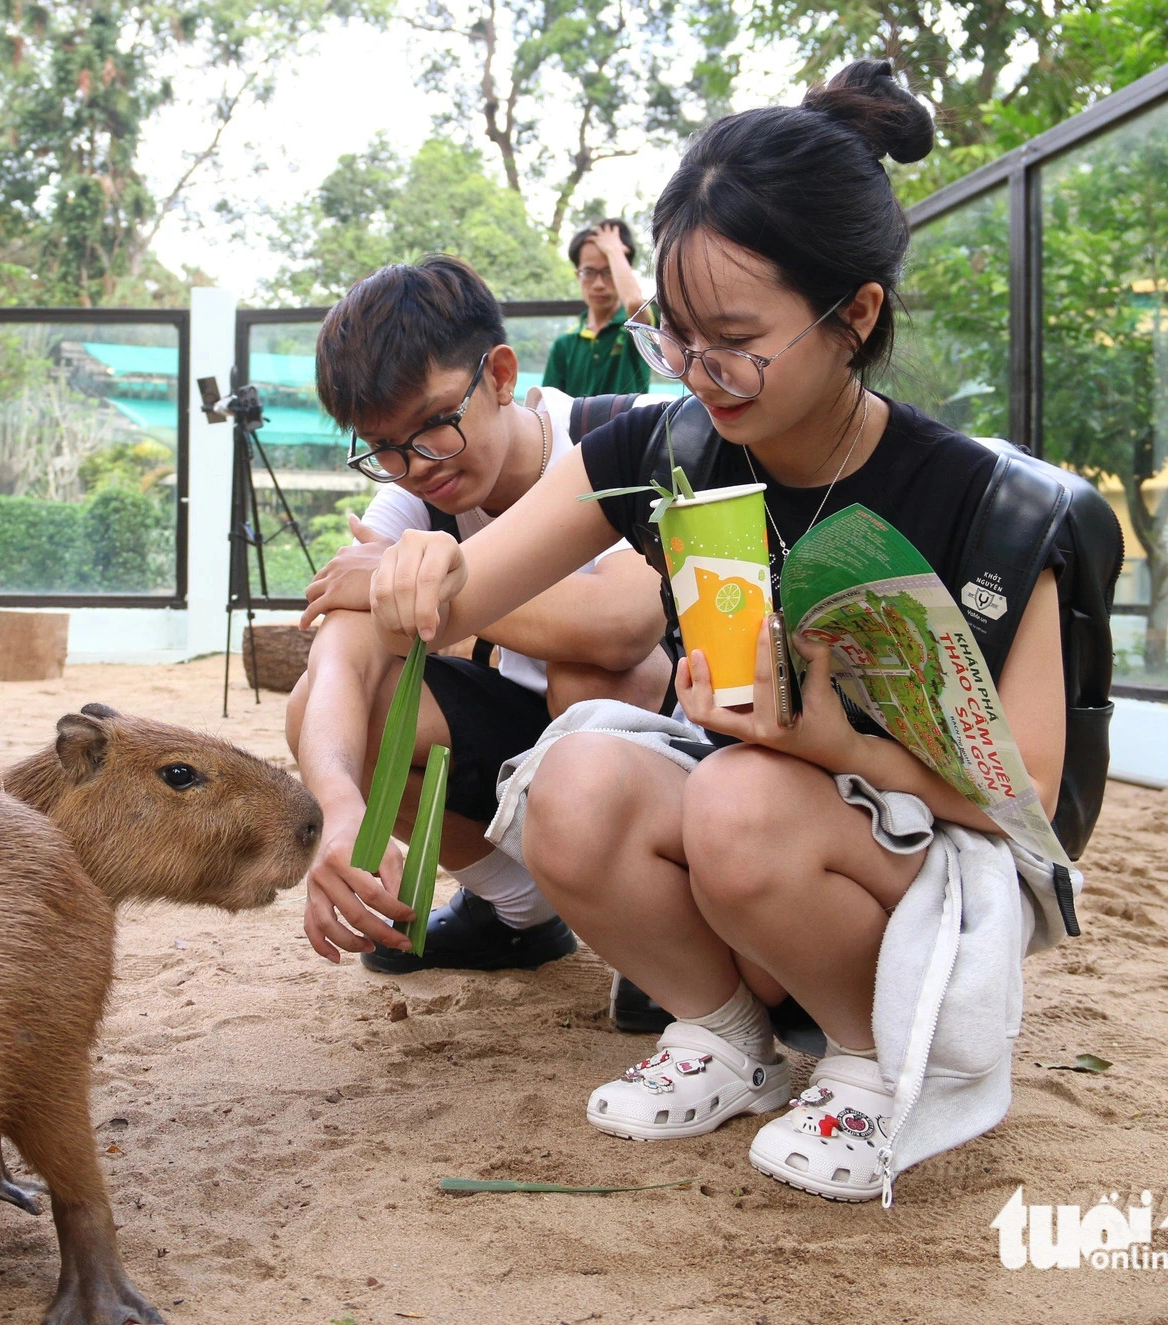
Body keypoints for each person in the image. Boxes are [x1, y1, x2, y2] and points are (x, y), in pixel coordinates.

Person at [365, 62, 1070, 1202]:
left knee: (734, 798)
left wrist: (826, 745)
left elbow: (1026, 805)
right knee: (573, 778)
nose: (699, 376)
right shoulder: (669, 447)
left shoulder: (977, 504)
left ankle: (868, 1062)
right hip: (763, 810)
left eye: (733, 340)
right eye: (676, 339)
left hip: (923, 856)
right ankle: (724, 1034)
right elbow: (462, 589)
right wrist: (417, 563)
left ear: (854, 315)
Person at [287, 256, 673, 974]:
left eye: (434, 422)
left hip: (673, 742)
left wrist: (436, 600)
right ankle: (520, 912)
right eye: (385, 447)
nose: (416, 463)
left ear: (499, 374)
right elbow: (340, 651)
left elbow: (622, 624)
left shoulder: (617, 434)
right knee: (324, 700)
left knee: (593, 678)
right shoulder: (415, 492)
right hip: (517, 742)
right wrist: (336, 806)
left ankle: (657, 936)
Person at [542, 219, 653, 399]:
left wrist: (614, 251)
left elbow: (633, 302)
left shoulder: (633, 330)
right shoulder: (565, 344)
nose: (599, 284)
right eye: (589, 273)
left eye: (609, 272)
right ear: (577, 275)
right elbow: (546, 408)